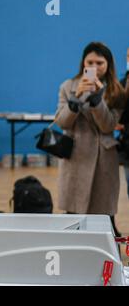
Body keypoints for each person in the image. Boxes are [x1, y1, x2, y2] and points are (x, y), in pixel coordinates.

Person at [56, 42, 125, 237]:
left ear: (108, 64)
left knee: (105, 215)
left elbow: (108, 126)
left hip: (104, 158)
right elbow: (62, 122)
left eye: (100, 63)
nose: (94, 67)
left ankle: (108, 256)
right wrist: (75, 99)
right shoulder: (68, 86)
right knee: (71, 213)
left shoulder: (116, 91)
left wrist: (97, 100)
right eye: (90, 62)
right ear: (83, 63)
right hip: (75, 155)